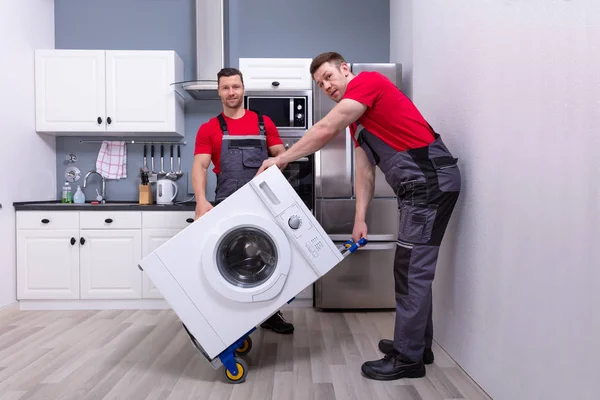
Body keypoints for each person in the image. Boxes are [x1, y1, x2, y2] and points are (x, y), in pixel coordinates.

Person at [257, 52, 461, 380]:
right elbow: (365, 171)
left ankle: (409, 358)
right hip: (419, 187)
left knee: (410, 270)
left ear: (345, 69)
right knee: (413, 268)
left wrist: (283, 159)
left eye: (328, 77)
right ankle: (416, 346)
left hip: (428, 182)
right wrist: (359, 219)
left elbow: (326, 127)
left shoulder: (368, 83)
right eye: (320, 83)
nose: (326, 86)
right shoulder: (359, 123)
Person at [191, 67, 294, 335]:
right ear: (219, 91)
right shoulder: (209, 128)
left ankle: (270, 315)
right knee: (231, 259)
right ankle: (234, 318)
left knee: (269, 256)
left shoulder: (263, 123)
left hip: (264, 202)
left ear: (243, 88)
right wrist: (201, 202)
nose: (231, 92)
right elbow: (200, 166)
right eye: (225, 87)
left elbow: (280, 156)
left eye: (235, 86)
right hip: (226, 203)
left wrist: (269, 174)